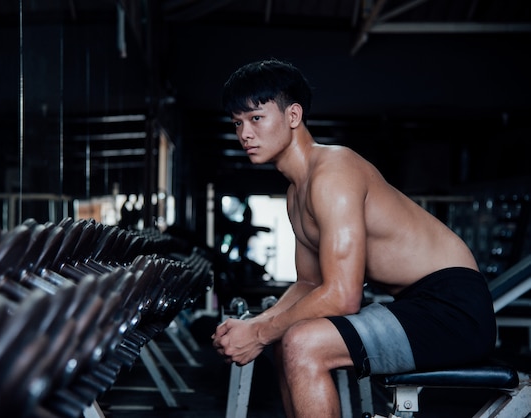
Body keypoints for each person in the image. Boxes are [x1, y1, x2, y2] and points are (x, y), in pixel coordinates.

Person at [211, 59, 496, 418]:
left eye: (256, 118)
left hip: (454, 311)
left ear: (293, 115)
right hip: (416, 304)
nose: (244, 134)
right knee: (287, 339)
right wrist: (257, 324)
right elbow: (310, 284)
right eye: (238, 122)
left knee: (302, 342)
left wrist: (259, 333)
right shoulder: (297, 194)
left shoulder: (333, 170)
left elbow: (343, 297)